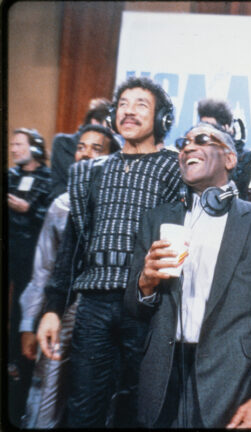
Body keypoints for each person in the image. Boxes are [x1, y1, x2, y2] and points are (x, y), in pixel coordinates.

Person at [124, 122, 251, 428]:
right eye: (183, 142)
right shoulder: (157, 219)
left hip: (232, 381)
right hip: (162, 382)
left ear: (230, 159)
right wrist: (144, 284)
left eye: (202, 139)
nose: (188, 147)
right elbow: (134, 309)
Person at [36, 76, 183, 428]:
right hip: (93, 306)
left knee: (140, 412)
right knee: (83, 409)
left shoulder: (176, 168)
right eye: (123, 104)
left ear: (162, 118)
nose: (129, 111)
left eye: (141, 105)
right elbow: (72, 247)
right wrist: (53, 308)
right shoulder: (89, 172)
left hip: (149, 306)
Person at [19, 124, 120, 428]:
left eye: (96, 149)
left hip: (103, 316)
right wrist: (29, 323)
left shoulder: (119, 208)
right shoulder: (61, 204)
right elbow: (43, 271)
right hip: (61, 313)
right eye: (81, 147)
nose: (85, 154)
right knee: (47, 397)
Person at [8, 127, 52, 425]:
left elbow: (49, 218)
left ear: (35, 148)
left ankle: (17, 365)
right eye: (12, 144)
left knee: (22, 313)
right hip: (9, 246)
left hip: (31, 254)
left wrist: (27, 209)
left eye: (19, 144)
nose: (13, 149)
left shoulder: (48, 178)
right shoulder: (10, 176)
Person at [49, 97, 112, 200]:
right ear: (95, 122)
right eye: (110, 125)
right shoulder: (64, 142)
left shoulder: (112, 145)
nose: (113, 131)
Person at [197, 97, 251, 200]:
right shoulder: (193, 151)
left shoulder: (245, 156)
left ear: (226, 128)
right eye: (203, 125)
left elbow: (233, 185)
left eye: (212, 126)